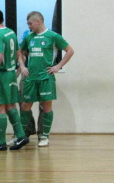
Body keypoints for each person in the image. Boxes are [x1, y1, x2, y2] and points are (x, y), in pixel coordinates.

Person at [18, 11, 74, 147]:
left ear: (38, 21)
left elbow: (70, 50)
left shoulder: (53, 36)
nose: (29, 26)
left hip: (45, 78)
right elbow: (20, 52)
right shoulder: (29, 37)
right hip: (31, 78)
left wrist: (58, 66)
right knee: (25, 105)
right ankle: (21, 136)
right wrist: (22, 67)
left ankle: (44, 136)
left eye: (30, 24)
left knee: (46, 106)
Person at [0, 9, 28, 151]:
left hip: (2, 75)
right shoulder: (11, 32)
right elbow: (18, 53)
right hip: (11, 73)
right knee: (10, 106)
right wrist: (17, 69)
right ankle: (21, 135)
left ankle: (1, 142)